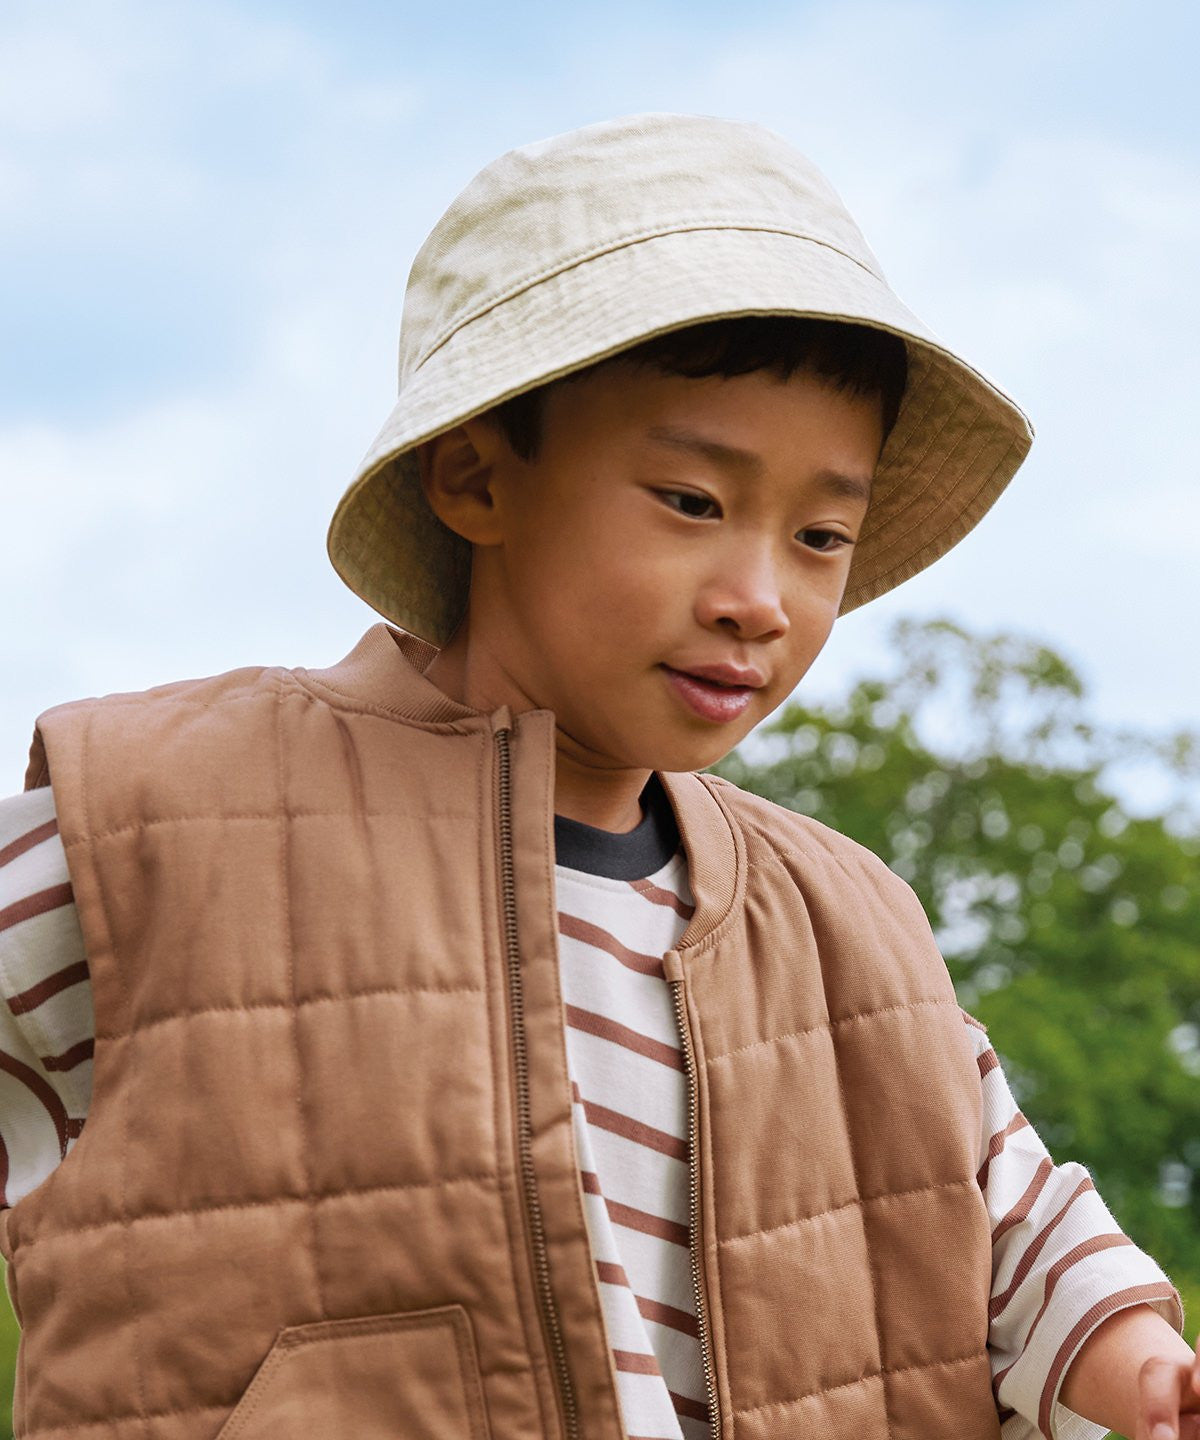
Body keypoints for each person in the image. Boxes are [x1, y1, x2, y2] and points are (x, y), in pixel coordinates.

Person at [0, 112, 1195, 1440]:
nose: (759, 598)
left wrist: (1139, 1367)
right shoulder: (173, 818)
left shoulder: (853, 932)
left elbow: (1002, 1218)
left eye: (819, 535)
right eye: (692, 501)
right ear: (475, 477)